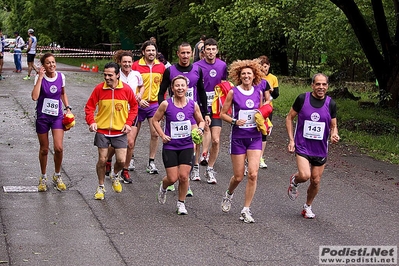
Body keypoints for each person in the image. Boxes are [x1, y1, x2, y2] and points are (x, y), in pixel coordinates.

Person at [286, 73, 340, 219]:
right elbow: (290, 117)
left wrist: (334, 134)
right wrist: (291, 140)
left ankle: (307, 206)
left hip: (320, 148)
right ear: (312, 85)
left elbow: (333, 125)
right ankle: (295, 180)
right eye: (318, 84)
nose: (321, 87)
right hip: (302, 145)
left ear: (327, 86)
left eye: (324, 84)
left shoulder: (331, 104)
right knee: (305, 175)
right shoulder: (303, 99)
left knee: (315, 180)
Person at [158, 42, 208, 194]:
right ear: (178, 54)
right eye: (183, 53)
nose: (185, 56)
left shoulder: (197, 70)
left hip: (191, 111)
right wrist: (164, 109)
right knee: (177, 140)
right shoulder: (170, 70)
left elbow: (202, 92)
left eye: (188, 53)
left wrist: (206, 114)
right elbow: (161, 92)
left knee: (194, 140)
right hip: (174, 111)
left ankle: (186, 179)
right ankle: (173, 179)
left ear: (192, 54)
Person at [85, 62, 138, 200]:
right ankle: (101, 186)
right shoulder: (99, 89)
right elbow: (89, 107)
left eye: (110, 75)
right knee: (102, 160)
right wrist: (92, 122)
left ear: (117, 75)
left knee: (121, 161)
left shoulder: (126, 90)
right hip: (102, 130)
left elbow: (134, 107)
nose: (107, 78)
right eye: (105, 75)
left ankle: (114, 174)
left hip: (120, 131)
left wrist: (128, 123)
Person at [220, 59, 264, 223]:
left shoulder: (258, 93)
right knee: (238, 176)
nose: (246, 76)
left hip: (255, 137)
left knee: (253, 173)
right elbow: (223, 113)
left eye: (249, 74)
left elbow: (260, 113)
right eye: (243, 73)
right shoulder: (233, 92)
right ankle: (229, 194)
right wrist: (234, 121)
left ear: (254, 76)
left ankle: (246, 209)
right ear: (239, 76)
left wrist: (263, 123)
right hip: (238, 137)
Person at [153, 75, 205, 215]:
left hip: (186, 145)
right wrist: (162, 135)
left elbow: (201, 121)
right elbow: (155, 120)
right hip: (170, 146)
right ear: (172, 88)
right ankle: (163, 187)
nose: (180, 88)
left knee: (183, 176)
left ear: (187, 88)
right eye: (177, 86)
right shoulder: (166, 104)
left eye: (183, 85)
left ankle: (181, 203)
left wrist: (200, 129)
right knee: (172, 178)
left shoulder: (192, 104)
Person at [31, 53, 71, 192]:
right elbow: (35, 97)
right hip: (42, 116)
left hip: (57, 117)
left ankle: (57, 175)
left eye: (53, 62)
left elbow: (62, 93)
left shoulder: (61, 77)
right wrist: (40, 78)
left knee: (59, 148)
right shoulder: (39, 77)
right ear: (43, 66)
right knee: (44, 149)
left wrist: (67, 108)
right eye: (48, 63)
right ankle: (43, 177)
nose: (52, 65)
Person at [104, 50, 144, 183]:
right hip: (117, 113)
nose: (127, 64)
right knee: (116, 143)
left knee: (130, 143)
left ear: (133, 62)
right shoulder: (115, 74)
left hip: (132, 111)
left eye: (129, 61)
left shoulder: (137, 74)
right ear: (120, 62)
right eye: (124, 62)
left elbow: (141, 86)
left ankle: (125, 170)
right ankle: (109, 160)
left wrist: (139, 94)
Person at [194, 38, 227, 184]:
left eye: (214, 49)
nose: (211, 52)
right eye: (208, 49)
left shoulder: (222, 65)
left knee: (216, 139)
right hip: (201, 105)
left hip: (216, 107)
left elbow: (225, 85)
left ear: (217, 51)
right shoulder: (197, 66)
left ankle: (210, 169)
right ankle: (195, 167)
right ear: (203, 51)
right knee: (199, 137)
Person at [132, 40, 165, 174]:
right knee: (133, 134)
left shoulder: (161, 67)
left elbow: (163, 87)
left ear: (156, 52)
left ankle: (151, 162)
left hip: (154, 105)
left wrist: (163, 103)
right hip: (137, 104)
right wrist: (138, 99)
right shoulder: (135, 66)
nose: (151, 53)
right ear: (143, 52)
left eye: (153, 50)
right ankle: (131, 157)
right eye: (148, 50)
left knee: (155, 133)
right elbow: (131, 86)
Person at [258, 55, 279, 169]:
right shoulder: (254, 77)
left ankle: (260, 157)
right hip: (255, 109)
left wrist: (270, 89)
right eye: (261, 67)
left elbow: (276, 95)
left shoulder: (273, 78)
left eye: (265, 67)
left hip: (267, 109)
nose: (263, 69)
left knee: (264, 132)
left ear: (269, 66)